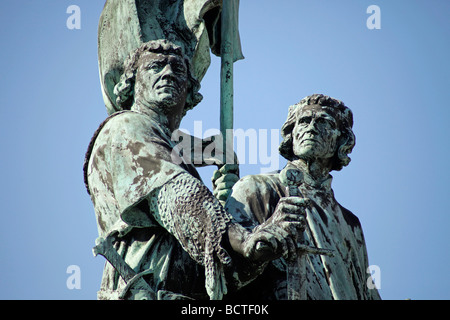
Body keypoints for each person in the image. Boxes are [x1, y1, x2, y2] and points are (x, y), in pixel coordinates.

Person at [84, 40, 305, 300]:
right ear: (131, 84)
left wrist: (259, 245)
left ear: (189, 91)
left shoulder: (176, 151)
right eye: (155, 67)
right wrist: (241, 238)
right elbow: (178, 196)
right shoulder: (125, 127)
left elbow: (226, 275)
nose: (167, 73)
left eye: (177, 70)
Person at [220, 94, 382, 299]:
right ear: (292, 133)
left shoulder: (351, 223)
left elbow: (366, 291)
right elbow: (226, 266)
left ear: (341, 140)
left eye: (324, 122)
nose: (311, 127)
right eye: (304, 121)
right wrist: (263, 240)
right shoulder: (257, 188)